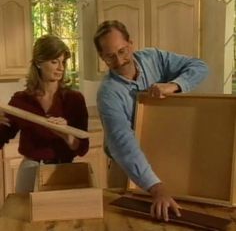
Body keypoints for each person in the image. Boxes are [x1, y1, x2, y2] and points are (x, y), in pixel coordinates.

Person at [94, 20, 209, 221]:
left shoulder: (153, 58)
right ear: (102, 57)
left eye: (122, 51)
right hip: (127, 169)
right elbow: (123, 144)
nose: (120, 61)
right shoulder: (108, 93)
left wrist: (174, 85)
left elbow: (200, 66)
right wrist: (156, 188)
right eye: (111, 56)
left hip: (164, 161)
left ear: (131, 43)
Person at [0, 34, 89, 193]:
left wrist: (65, 134)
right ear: (39, 63)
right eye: (54, 62)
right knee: (25, 216)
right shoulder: (21, 101)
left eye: (63, 62)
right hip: (30, 170)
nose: (60, 67)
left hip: (63, 170)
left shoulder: (74, 100)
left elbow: (83, 148)